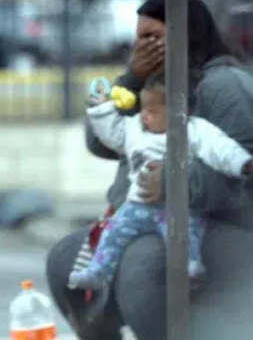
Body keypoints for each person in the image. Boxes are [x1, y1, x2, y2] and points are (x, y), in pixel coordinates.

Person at [46, 0, 253, 340]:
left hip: (212, 223)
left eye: (153, 37)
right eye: (138, 38)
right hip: (140, 215)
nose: (143, 47)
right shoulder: (151, 84)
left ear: (186, 35)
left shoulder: (222, 86)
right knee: (65, 261)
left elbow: (243, 170)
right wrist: (130, 78)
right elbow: (99, 142)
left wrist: (177, 182)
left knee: (139, 266)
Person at [68, 73, 253, 291]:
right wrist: (101, 109)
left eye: (152, 111)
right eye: (143, 109)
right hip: (138, 205)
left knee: (185, 231)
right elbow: (112, 133)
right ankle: (98, 273)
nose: (144, 116)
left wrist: (242, 163)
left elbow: (221, 149)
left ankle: (189, 267)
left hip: (178, 207)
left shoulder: (195, 130)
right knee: (113, 232)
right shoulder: (135, 128)